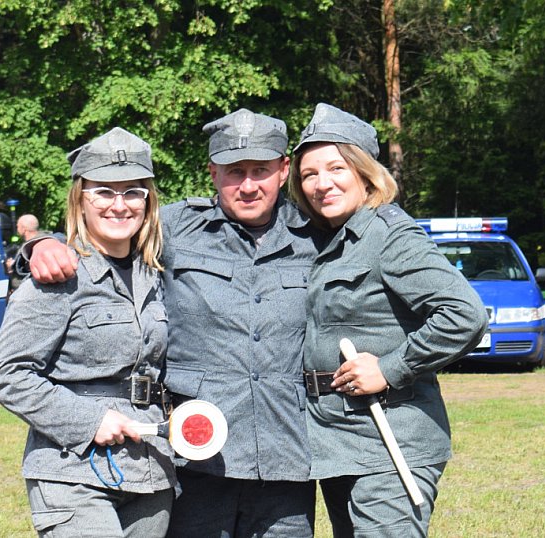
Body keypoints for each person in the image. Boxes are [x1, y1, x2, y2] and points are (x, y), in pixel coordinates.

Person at [20, 109, 322, 537]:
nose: (249, 185)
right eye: (235, 172)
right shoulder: (173, 228)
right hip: (195, 462)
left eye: (261, 170)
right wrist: (40, 243)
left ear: (284, 169)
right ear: (213, 172)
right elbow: (109, 221)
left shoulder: (319, 236)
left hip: (285, 459)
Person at [288, 103, 489, 537]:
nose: (323, 184)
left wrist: (390, 367)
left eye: (336, 168)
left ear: (364, 172)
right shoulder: (328, 240)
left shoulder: (389, 234)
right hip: (337, 441)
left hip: (390, 438)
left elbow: (465, 315)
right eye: (309, 174)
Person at [0, 127, 176, 537]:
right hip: (72, 469)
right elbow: (7, 373)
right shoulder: (58, 275)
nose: (119, 205)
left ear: (148, 201)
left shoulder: (156, 272)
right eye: (104, 192)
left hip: (150, 471)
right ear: (81, 200)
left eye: (132, 192)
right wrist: (88, 420)